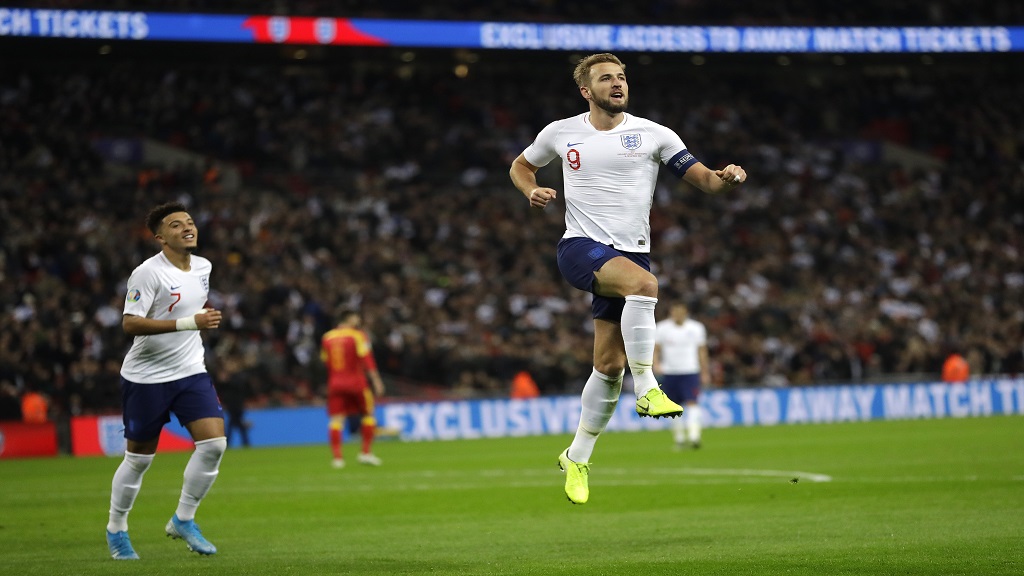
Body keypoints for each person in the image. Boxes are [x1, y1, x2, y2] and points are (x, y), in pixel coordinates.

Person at [509, 53, 746, 504]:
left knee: (608, 365)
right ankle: (650, 388)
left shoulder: (654, 134)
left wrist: (727, 179)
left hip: (631, 253)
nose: (617, 83)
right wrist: (530, 189)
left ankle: (577, 457)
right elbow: (521, 165)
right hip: (579, 247)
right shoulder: (561, 132)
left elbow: (706, 181)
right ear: (587, 91)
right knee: (645, 288)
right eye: (606, 79)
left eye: (621, 77)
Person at [105, 202, 226, 560]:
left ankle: (183, 519)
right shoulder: (147, 274)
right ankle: (116, 528)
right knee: (139, 460)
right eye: (176, 225)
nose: (187, 228)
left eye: (189, 222)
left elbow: (189, 310)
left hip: (190, 371)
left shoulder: (203, 266)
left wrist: (196, 319)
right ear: (160, 237)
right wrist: (191, 323)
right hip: (146, 378)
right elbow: (130, 323)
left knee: (214, 445)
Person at [321, 308, 386, 468]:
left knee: (336, 420)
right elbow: (367, 359)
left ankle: (337, 458)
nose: (358, 321)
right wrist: (377, 381)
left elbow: (325, 361)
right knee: (368, 415)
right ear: (349, 319)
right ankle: (365, 453)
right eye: (356, 318)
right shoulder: (357, 335)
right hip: (356, 383)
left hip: (335, 383)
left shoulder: (327, 337)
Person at [654, 302, 710, 449]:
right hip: (669, 372)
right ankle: (679, 438)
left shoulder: (696, 328)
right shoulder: (662, 328)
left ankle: (694, 436)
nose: (677, 314)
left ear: (686, 312)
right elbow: (656, 349)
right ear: (671, 312)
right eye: (675, 311)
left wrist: (704, 371)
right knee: (672, 406)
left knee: (692, 402)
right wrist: (656, 364)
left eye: (680, 311)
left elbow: (702, 351)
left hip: (690, 371)